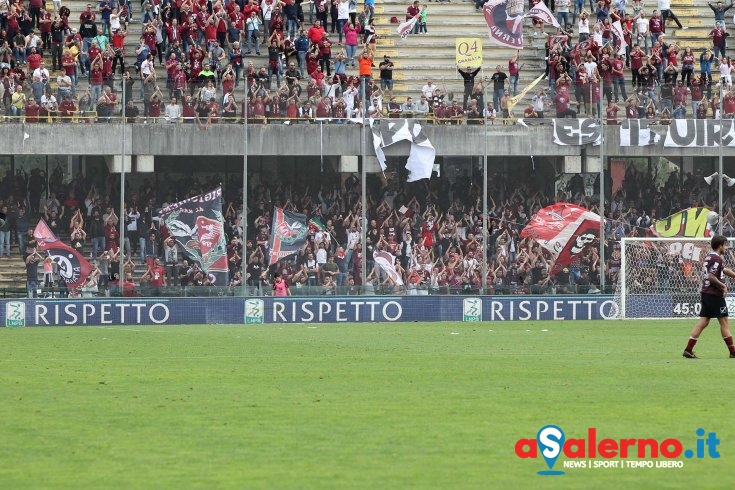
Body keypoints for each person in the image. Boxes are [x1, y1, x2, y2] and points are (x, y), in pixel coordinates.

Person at [683, 235, 735, 358]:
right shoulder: (717, 259)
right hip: (714, 294)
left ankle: (688, 349)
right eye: (725, 245)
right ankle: (733, 352)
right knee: (724, 322)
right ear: (720, 245)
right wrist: (723, 286)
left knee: (704, 321)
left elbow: (724, 270)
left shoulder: (710, 257)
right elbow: (711, 276)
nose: (726, 247)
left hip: (706, 293)